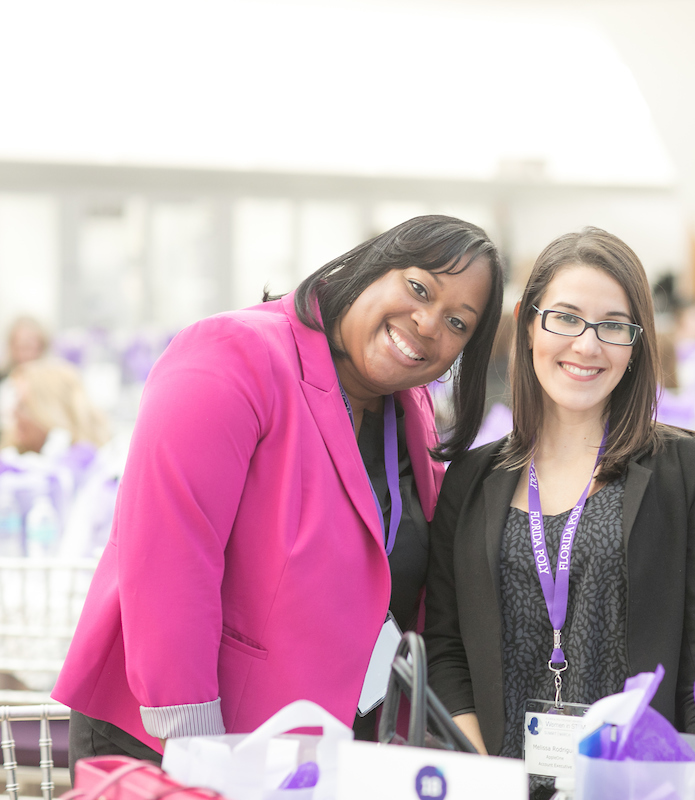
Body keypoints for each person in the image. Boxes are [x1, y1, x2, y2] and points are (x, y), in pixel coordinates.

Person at [53, 215, 504, 771]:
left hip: (309, 754)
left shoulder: (411, 414)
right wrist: (196, 746)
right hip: (174, 743)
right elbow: (170, 552)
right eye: (419, 288)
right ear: (373, 265)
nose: (429, 322)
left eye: (458, 322)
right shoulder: (233, 354)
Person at [424, 228, 695, 793]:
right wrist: (484, 776)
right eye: (565, 318)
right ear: (527, 323)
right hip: (499, 779)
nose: (586, 345)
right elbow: (447, 648)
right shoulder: (471, 481)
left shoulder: (690, 473)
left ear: (638, 342)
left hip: (640, 784)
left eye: (612, 326)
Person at [0, 357, 109, 454]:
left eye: (23, 406)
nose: (13, 412)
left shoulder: (96, 468)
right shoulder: (10, 460)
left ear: (52, 411)